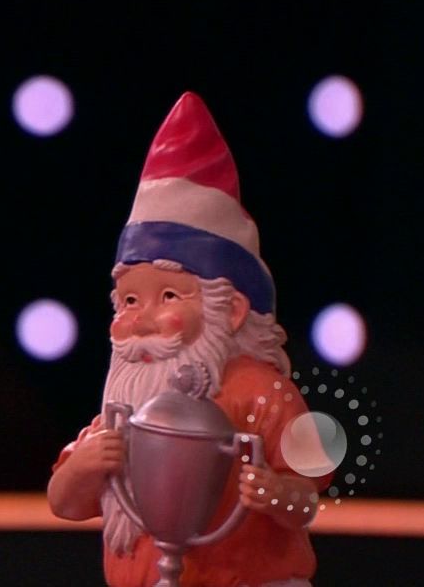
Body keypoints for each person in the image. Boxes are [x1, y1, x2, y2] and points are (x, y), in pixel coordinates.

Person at [47, 92, 325, 587]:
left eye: (169, 295)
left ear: (230, 310)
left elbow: (308, 496)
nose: (141, 319)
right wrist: (84, 467)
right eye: (129, 301)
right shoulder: (124, 408)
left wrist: (275, 493)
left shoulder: (262, 394)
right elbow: (64, 503)